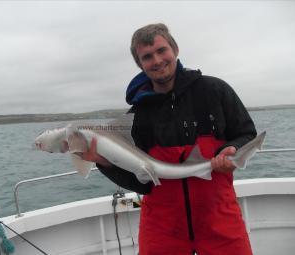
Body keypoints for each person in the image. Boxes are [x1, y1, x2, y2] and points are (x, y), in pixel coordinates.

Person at [82, 23, 256, 255]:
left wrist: (232, 148)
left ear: (174, 49)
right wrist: (103, 163)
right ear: (140, 64)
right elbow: (141, 183)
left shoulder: (214, 90)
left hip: (219, 216)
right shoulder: (137, 115)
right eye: (147, 57)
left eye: (161, 50)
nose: (156, 60)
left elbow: (246, 133)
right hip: (162, 226)